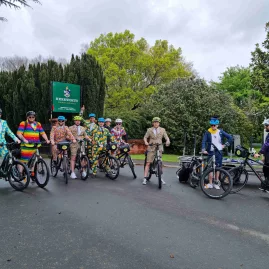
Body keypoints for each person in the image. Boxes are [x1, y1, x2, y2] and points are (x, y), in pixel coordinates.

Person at [201, 116, 233, 189]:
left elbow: (230, 138)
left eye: (214, 125)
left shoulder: (220, 132)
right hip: (211, 152)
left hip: (218, 152)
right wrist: (203, 149)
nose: (213, 126)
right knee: (210, 168)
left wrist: (225, 145)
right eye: (211, 125)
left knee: (218, 167)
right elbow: (204, 141)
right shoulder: (208, 132)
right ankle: (210, 183)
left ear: (217, 125)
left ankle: (216, 182)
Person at [143, 117, 170, 185]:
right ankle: (145, 178)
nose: (156, 123)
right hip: (151, 146)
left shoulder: (162, 130)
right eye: (154, 122)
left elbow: (166, 137)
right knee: (148, 162)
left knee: (160, 161)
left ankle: (160, 178)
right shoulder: (149, 130)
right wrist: (146, 142)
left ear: (159, 123)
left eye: (157, 122)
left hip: (159, 146)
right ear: (153, 123)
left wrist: (168, 141)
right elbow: (145, 137)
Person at [254, 119, 269, 192]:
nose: (265, 127)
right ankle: (266, 185)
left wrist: (259, 153)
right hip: (267, 155)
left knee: (268, 171)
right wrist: (264, 156)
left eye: (266, 126)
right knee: (265, 170)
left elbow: (266, 145)